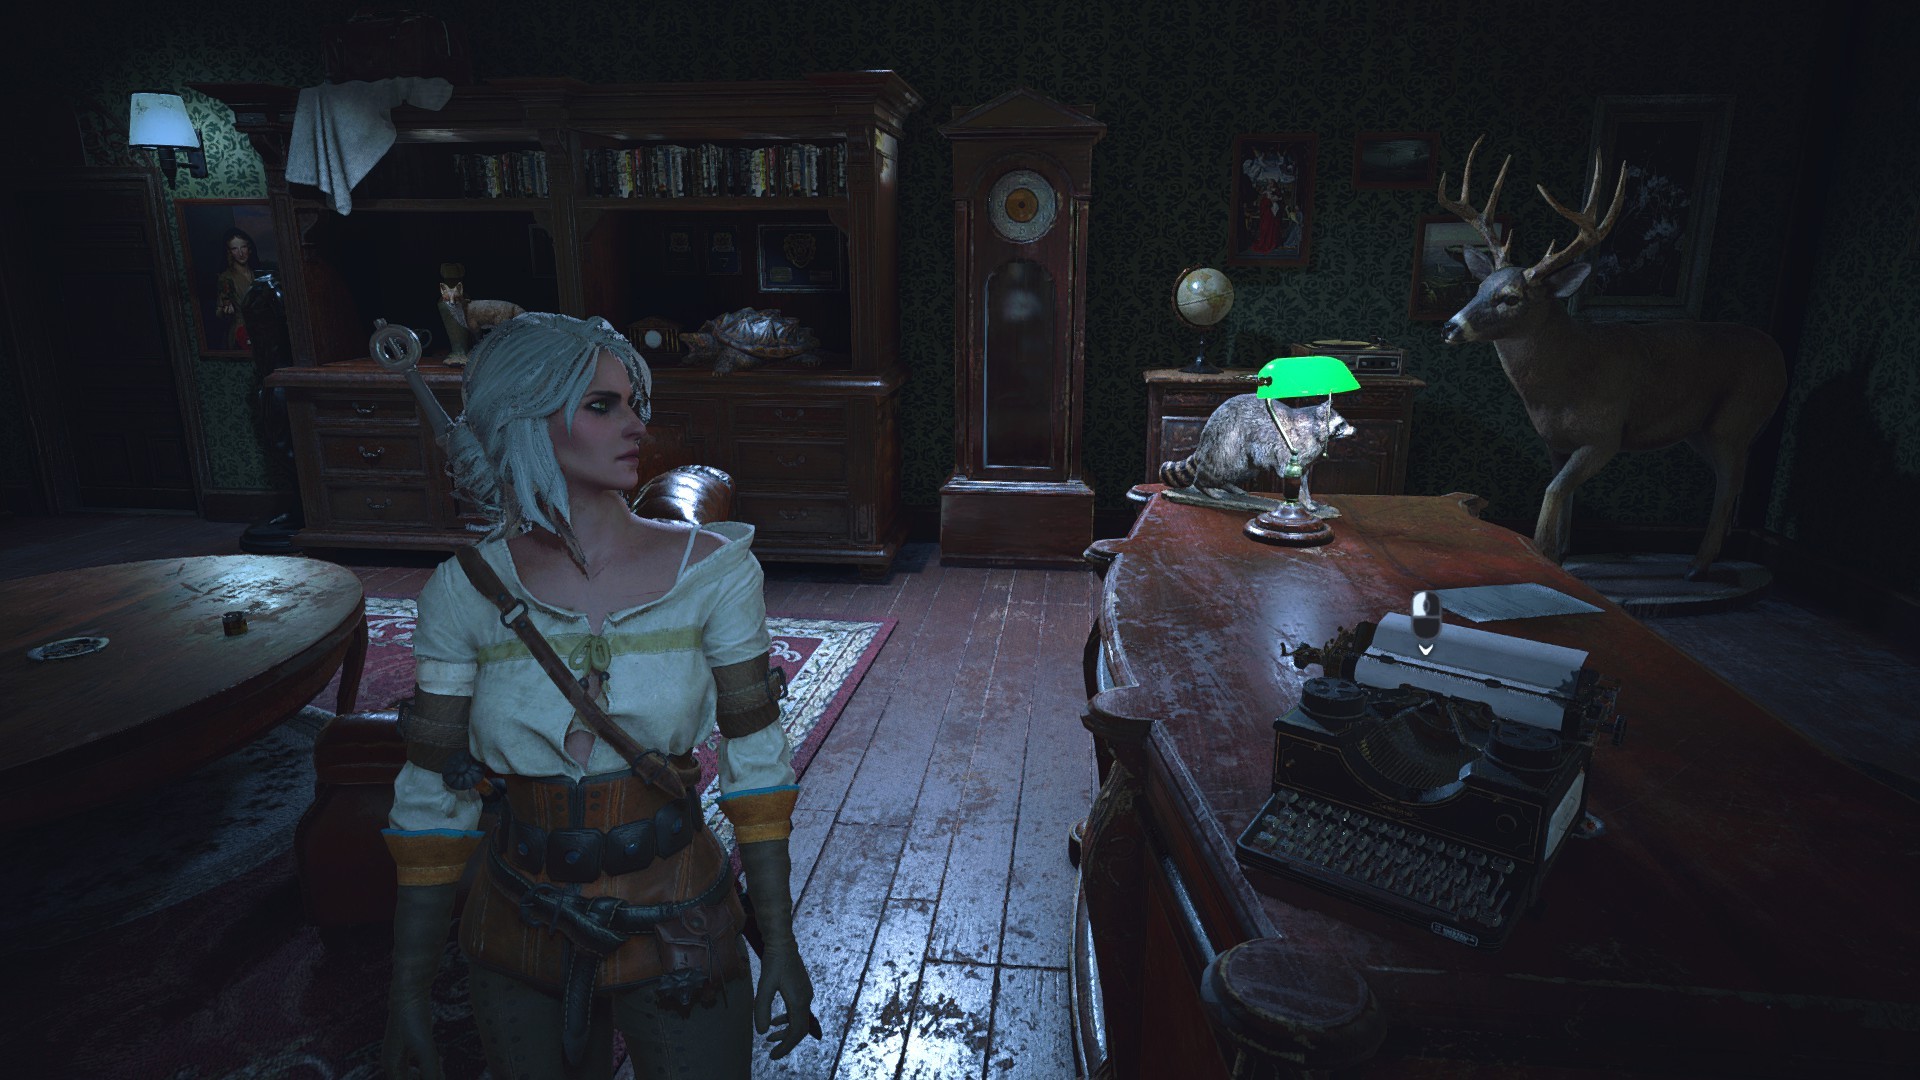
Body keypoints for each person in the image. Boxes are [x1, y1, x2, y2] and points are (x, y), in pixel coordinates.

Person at [380, 313, 813, 1080]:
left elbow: (757, 764)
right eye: (602, 406)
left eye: (633, 404)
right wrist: (408, 988)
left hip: (675, 910)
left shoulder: (715, 572)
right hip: (517, 917)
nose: (635, 425)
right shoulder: (464, 591)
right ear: (524, 419)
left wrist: (779, 940)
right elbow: (432, 793)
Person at [213, 227, 258, 349]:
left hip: (260, 328)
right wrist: (226, 310)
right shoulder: (226, 278)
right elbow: (219, 311)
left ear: (249, 248)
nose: (240, 253)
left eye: (243, 247)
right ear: (229, 252)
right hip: (241, 332)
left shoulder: (256, 273)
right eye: (234, 249)